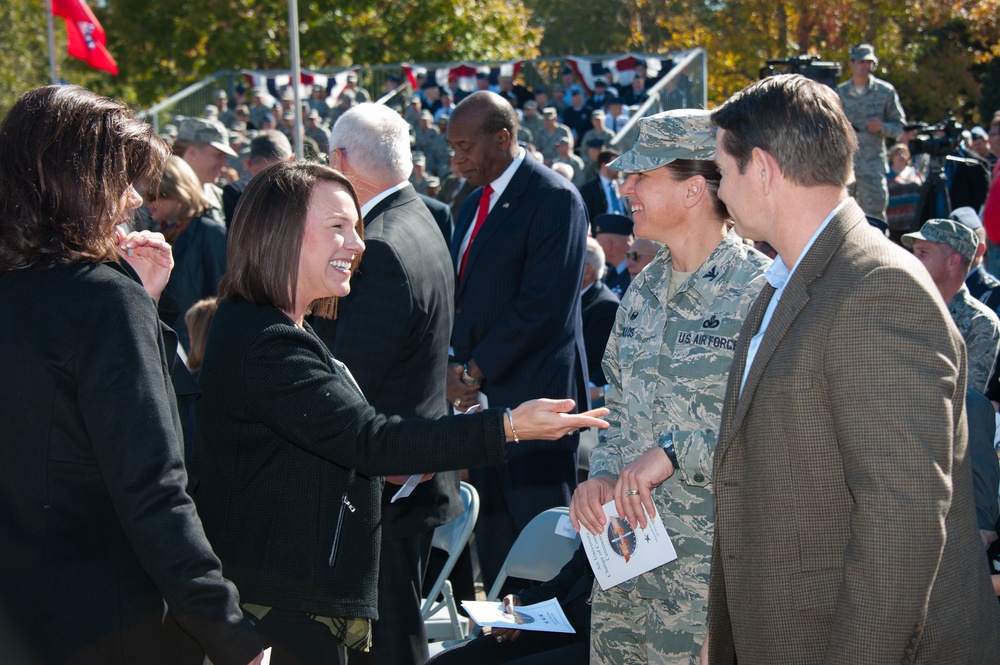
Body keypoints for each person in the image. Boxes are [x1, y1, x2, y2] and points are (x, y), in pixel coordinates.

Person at [192, 161, 607, 665]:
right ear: (282, 234)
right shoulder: (266, 341)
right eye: (338, 227)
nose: (358, 243)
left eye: (357, 226)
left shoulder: (280, 329)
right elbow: (370, 441)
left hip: (294, 593)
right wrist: (510, 426)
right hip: (278, 601)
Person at [708, 73, 1000, 663]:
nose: (719, 189)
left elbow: (902, 519)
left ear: (762, 169)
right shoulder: (789, 279)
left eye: (723, 170)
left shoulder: (877, 288)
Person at [0, 85, 264, 665]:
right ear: (73, 183)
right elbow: (153, 487)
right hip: (106, 621)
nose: (132, 201)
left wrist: (141, 303)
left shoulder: (79, 296)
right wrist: (230, 634)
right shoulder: (102, 302)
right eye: (119, 181)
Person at [569, 109, 770, 664]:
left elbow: (778, 434)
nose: (624, 187)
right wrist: (603, 475)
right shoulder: (641, 290)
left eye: (642, 176)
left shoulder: (760, 294)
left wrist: (678, 452)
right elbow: (621, 411)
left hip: (711, 587)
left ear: (693, 191)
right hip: (626, 579)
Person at [316, 102, 460, 665]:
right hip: (409, 470)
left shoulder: (377, 245)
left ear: (339, 160)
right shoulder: (422, 216)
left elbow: (353, 386)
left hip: (387, 482)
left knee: (390, 645)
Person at [446, 91, 591, 591]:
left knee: (542, 560)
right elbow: (465, 299)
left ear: (503, 138)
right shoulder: (468, 205)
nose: (457, 157)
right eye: (452, 146)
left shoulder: (553, 198)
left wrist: (472, 370)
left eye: (465, 145)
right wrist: (454, 365)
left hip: (537, 404)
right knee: (497, 549)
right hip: (482, 410)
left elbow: (542, 307)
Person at [427, 545, 594, 665]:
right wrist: (523, 602)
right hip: (569, 627)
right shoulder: (606, 504)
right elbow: (576, 574)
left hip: (607, 642)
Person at [901, 218, 1000, 392]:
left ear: (952, 262)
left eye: (923, 253)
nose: (913, 259)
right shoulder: (902, 306)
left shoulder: (981, 323)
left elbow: (965, 396)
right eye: (914, 252)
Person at [144, 154, 228, 351]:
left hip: (199, 351)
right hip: (172, 348)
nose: (146, 202)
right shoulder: (161, 235)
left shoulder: (209, 232)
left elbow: (223, 299)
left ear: (176, 192)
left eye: (152, 195)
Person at [836, 43, 905, 223]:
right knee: (842, 217)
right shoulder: (839, 93)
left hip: (872, 167)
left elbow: (899, 127)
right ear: (851, 63)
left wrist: (882, 127)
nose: (866, 66)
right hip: (846, 167)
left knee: (875, 219)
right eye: (861, 62)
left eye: (869, 62)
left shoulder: (885, 92)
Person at [581, 237, 621, 404]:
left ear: (588, 270)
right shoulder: (574, 297)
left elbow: (593, 359)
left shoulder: (606, 305)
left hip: (585, 396)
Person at [593, 213, 634, 297]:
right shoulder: (611, 271)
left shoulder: (636, 273)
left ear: (608, 245)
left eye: (597, 242)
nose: (595, 247)